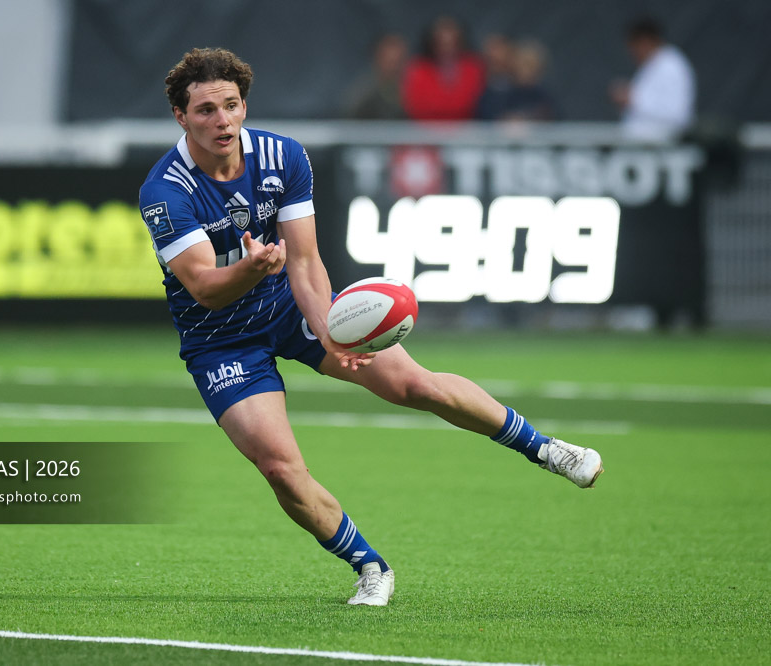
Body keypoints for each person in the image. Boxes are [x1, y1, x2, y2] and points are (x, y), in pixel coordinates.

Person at [139, 47, 604, 607]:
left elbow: (307, 262)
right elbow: (206, 289)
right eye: (206, 110)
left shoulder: (282, 156)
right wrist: (251, 266)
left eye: (232, 106)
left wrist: (330, 330)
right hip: (221, 339)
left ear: (245, 104)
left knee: (416, 385)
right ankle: (371, 567)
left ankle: (548, 449)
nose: (222, 121)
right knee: (281, 469)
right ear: (180, 116)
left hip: (289, 305)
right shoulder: (165, 191)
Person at [610, 16, 695, 140]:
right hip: (643, 149)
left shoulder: (671, 66)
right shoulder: (653, 65)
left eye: (633, 46)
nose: (631, 53)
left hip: (662, 153)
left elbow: (677, 115)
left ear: (645, 41)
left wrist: (632, 99)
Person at [401, 16, 485, 121]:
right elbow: (417, 107)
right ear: (432, 43)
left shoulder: (472, 68)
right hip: (424, 132)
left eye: (452, 43)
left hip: (465, 132)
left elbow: (470, 104)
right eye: (441, 44)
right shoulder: (419, 69)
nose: (447, 49)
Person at [342, 33, 407, 120]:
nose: (395, 68)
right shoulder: (363, 94)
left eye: (399, 62)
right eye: (390, 62)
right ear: (377, 58)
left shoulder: (410, 90)